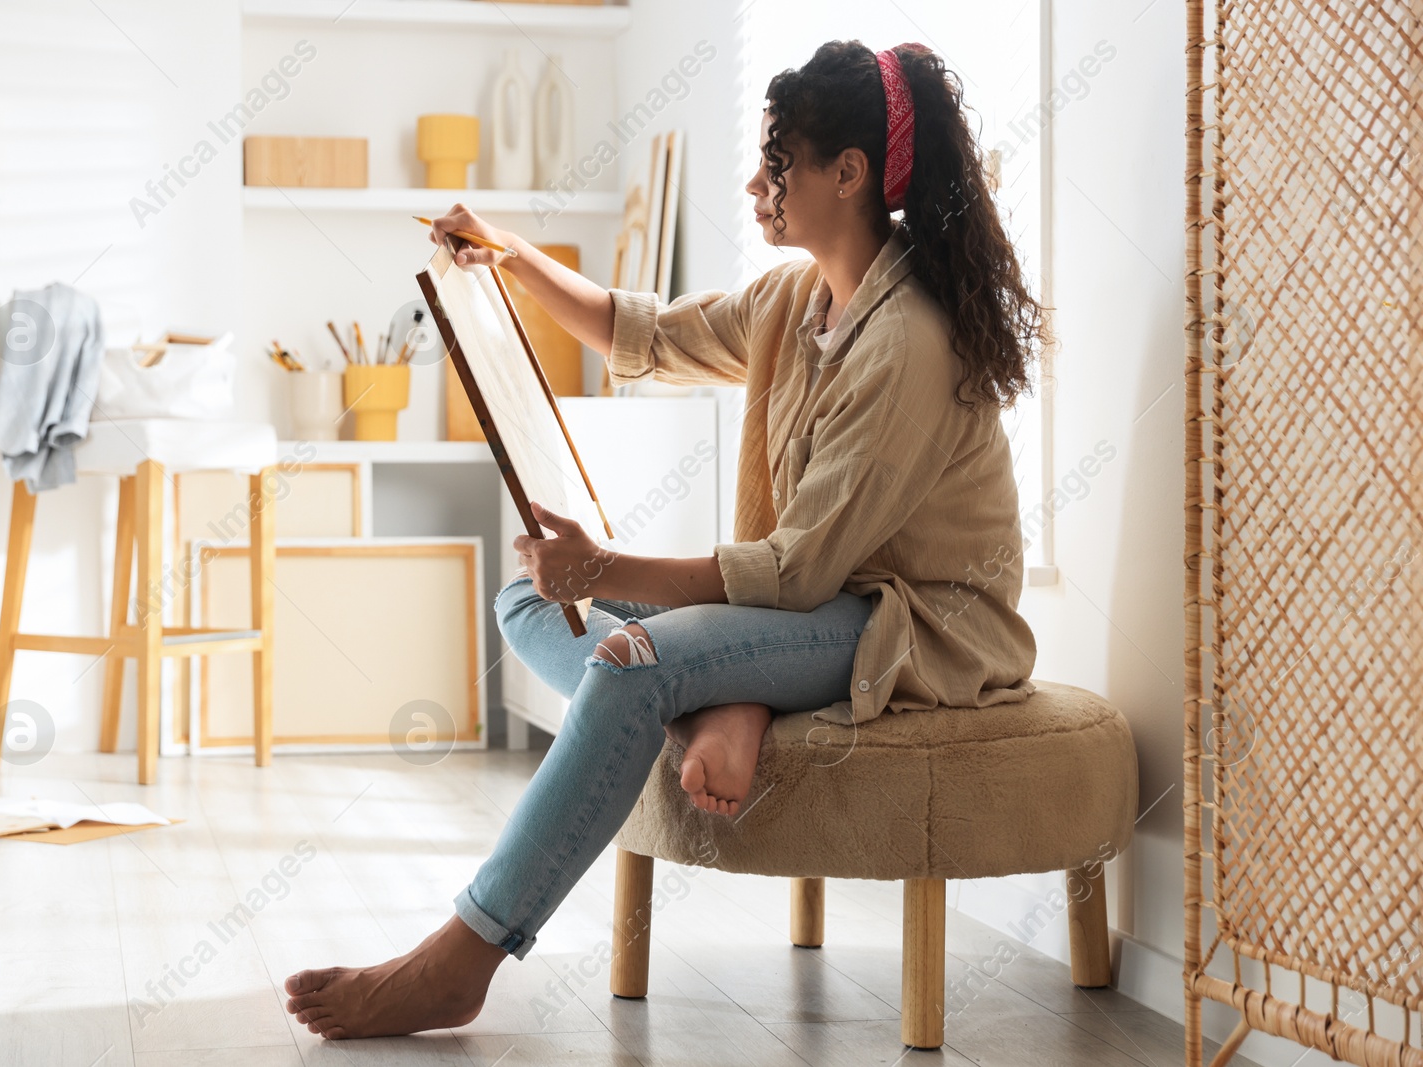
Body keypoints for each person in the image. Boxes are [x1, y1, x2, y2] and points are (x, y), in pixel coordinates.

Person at [284, 38, 1043, 1040]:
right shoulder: (796, 298)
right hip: (812, 605)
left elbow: (798, 569)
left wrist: (601, 566)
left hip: (903, 624)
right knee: (530, 596)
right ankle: (718, 703)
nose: (753, 184)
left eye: (776, 162)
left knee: (630, 656)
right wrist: (509, 254)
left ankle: (462, 956)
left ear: (846, 174)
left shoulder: (905, 340)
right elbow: (640, 332)